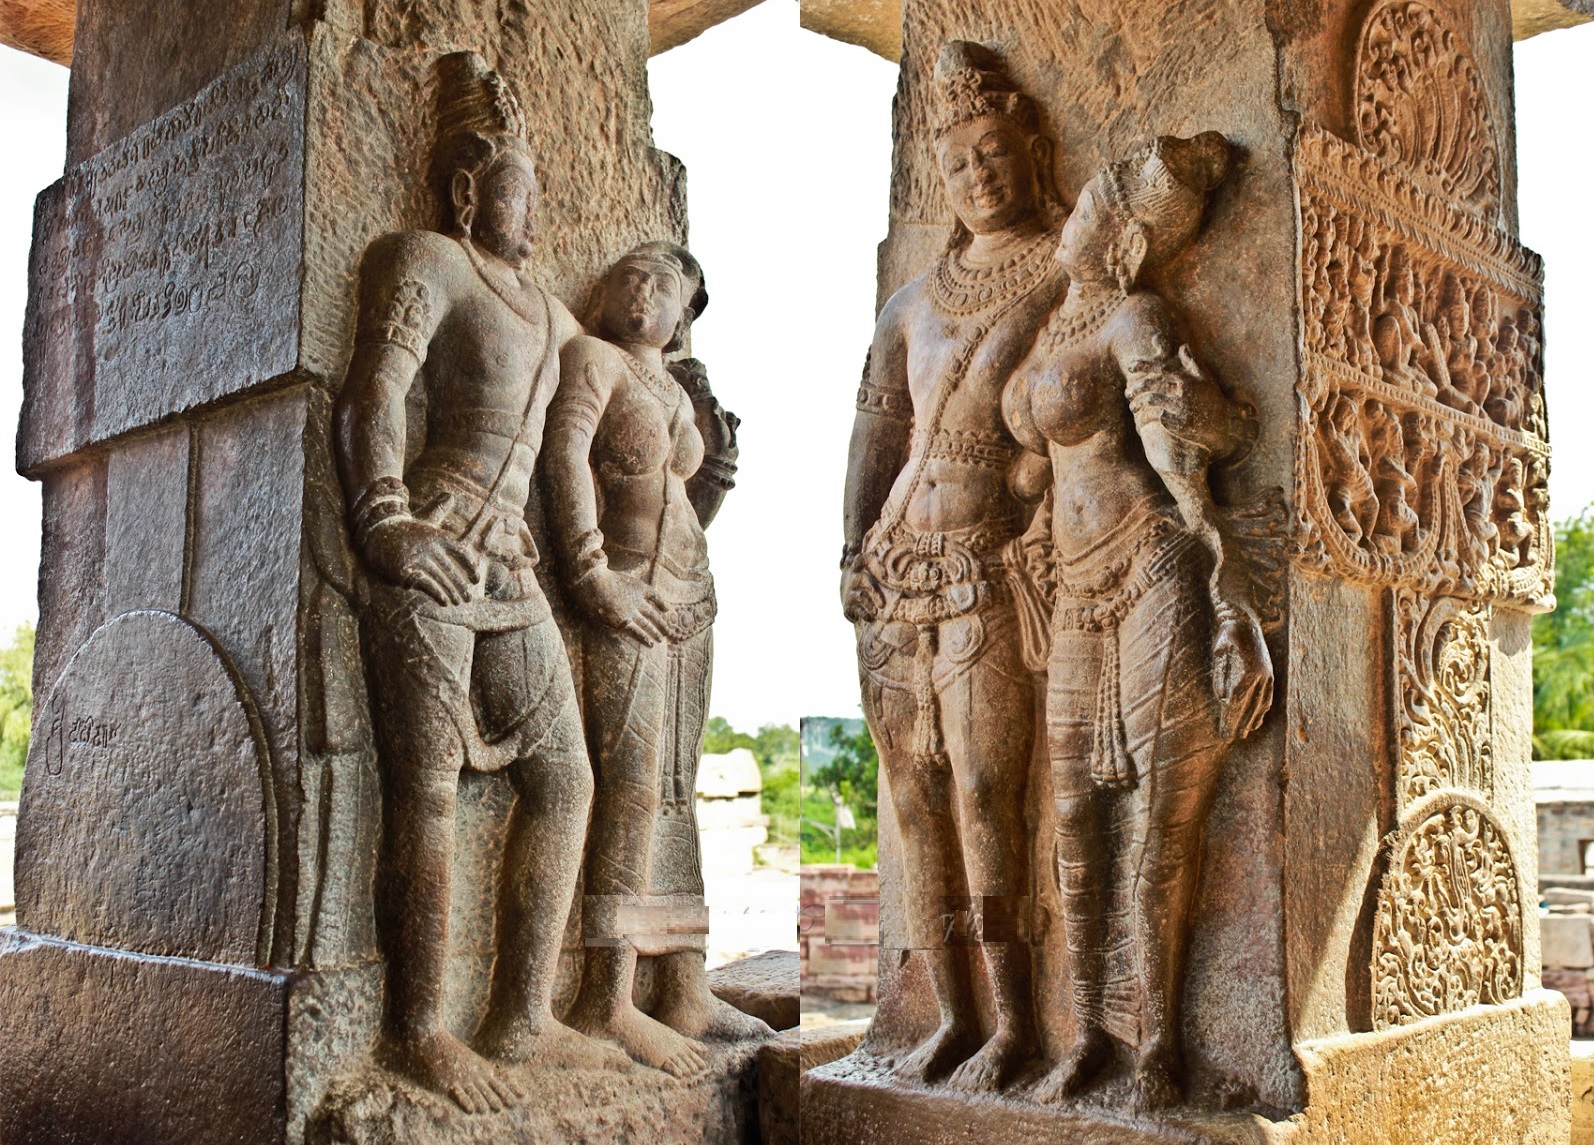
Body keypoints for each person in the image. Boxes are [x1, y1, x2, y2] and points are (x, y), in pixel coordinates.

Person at [334, 51, 621, 1114]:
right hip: (433, 541)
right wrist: (386, 523)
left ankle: (520, 1013)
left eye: (540, 191)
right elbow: (374, 389)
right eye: (519, 188)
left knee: (566, 776)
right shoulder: (424, 261)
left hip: (510, 559)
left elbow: (577, 449)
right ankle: (415, 1028)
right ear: (467, 188)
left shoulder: (550, 314)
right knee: (425, 787)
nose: (533, 209)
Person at [1002, 132, 1273, 1109]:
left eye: (1090, 208)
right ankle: (1084, 1034)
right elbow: (1034, 462)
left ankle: (1157, 1041)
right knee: (1072, 809)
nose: (1069, 218)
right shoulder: (1052, 328)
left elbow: (1173, 444)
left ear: (1118, 235)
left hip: (1151, 562)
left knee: (1156, 816)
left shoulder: (1139, 314)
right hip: (1072, 585)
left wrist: (1222, 569)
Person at [838, 40, 1065, 1093]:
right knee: (913, 794)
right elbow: (874, 442)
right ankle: (952, 1015)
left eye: (993, 152)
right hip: (896, 567)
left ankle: (1018, 1020)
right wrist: (850, 548)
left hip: (987, 565)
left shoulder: (1071, 273)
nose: (978, 175)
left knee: (985, 788)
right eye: (958, 163)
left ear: (1030, 151)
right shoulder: (910, 307)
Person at [544, 242, 767, 1080]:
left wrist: (720, 479)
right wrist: (588, 569)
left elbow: (685, 505)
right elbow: (566, 457)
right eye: (629, 278)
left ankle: (683, 986)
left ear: (682, 320)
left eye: (662, 288)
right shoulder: (593, 360)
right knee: (627, 782)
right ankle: (605, 994)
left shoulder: (673, 388)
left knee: (676, 791)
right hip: (625, 593)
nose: (641, 294)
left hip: (687, 599)